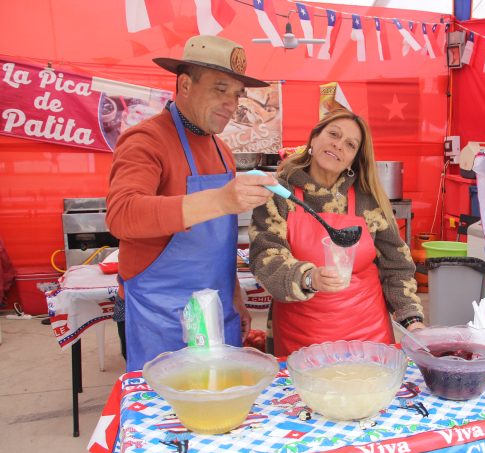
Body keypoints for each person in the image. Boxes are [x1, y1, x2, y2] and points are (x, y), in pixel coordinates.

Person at [106, 35, 278, 371]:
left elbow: (219, 243)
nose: (231, 102)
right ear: (185, 85)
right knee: (165, 415)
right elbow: (121, 215)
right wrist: (218, 199)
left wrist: (235, 297)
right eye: (220, 88)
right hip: (158, 316)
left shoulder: (220, 149)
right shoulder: (146, 140)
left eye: (236, 93)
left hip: (217, 310)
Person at [248, 109, 425, 356]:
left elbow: (397, 265)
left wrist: (411, 320)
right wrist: (310, 278)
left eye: (350, 144)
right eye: (333, 134)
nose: (338, 145)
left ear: (354, 158)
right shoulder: (278, 193)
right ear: (314, 138)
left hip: (369, 337)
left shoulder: (368, 199)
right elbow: (265, 258)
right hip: (300, 337)